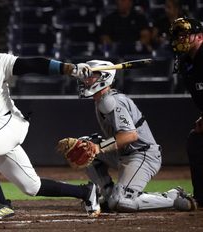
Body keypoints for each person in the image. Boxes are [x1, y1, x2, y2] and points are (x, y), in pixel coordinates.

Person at [0, 26, 100, 220]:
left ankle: (2, 204)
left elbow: (32, 65)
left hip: (9, 122)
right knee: (32, 186)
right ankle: (86, 192)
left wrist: (68, 68)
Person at [76, 59, 197, 212]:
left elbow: (129, 136)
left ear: (104, 77)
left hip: (143, 154)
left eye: (91, 76)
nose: (85, 80)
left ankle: (172, 197)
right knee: (83, 147)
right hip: (124, 153)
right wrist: (94, 147)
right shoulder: (101, 100)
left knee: (122, 202)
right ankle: (108, 193)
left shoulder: (112, 101)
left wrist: (99, 147)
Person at [169, 17, 203, 208]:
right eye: (177, 36)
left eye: (184, 35)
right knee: (196, 141)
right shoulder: (184, 63)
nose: (180, 40)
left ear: (199, 37)